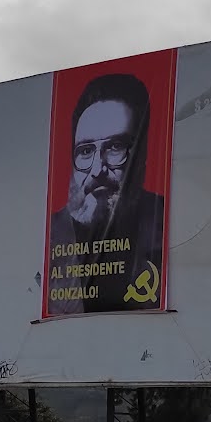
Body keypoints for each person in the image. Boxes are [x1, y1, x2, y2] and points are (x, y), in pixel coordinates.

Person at [44, 71, 167, 314]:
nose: (98, 169)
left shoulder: (167, 224)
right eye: (86, 151)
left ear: (141, 156)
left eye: (115, 147)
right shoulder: (47, 239)